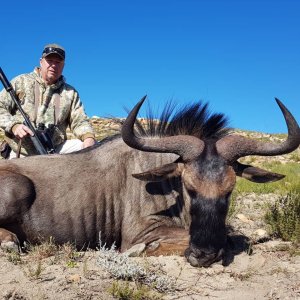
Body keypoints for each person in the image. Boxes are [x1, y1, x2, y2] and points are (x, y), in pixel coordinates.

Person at [0, 43, 96, 158]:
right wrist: (14, 126)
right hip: (20, 150)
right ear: (41, 62)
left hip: (55, 150)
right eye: (50, 60)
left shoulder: (70, 92)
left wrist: (89, 139)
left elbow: (80, 121)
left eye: (58, 62)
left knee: (87, 147)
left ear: (63, 65)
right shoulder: (20, 81)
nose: (53, 65)